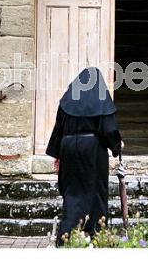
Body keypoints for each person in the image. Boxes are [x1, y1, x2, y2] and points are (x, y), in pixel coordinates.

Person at [45, 67, 123, 246]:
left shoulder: (67, 100)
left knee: (72, 193)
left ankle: (66, 238)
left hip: (68, 148)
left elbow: (59, 128)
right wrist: (117, 145)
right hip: (92, 151)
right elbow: (108, 129)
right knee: (95, 192)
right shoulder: (100, 99)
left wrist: (57, 154)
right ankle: (96, 236)